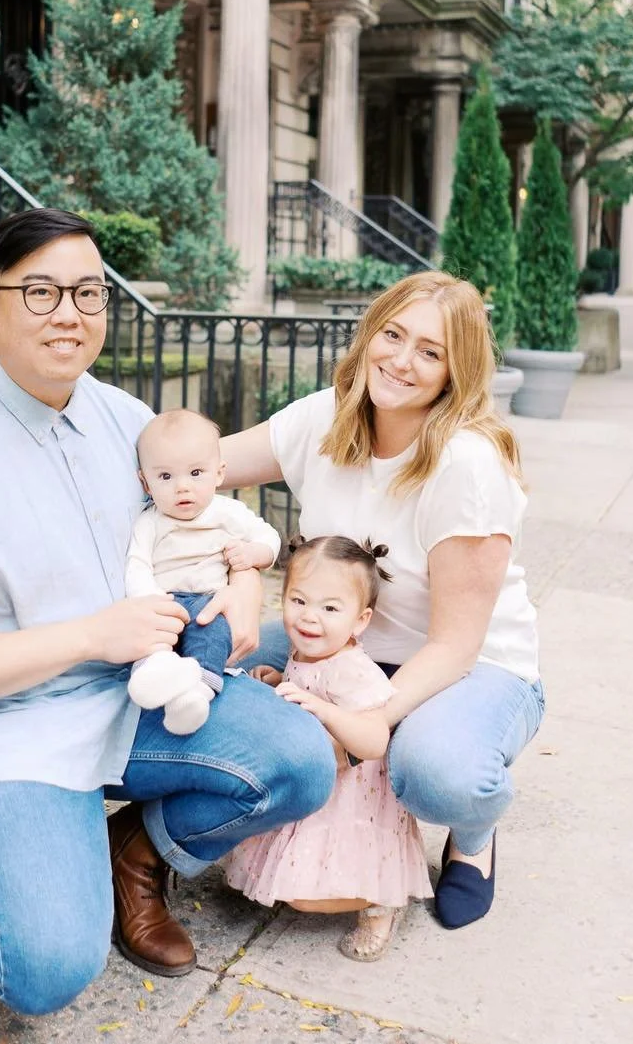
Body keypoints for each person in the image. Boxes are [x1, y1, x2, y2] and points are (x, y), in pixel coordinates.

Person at [0, 208, 335, 1016]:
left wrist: (246, 577)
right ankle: (54, 834)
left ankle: (135, 852)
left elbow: (204, 515)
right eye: (40, 292)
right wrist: (89, 634)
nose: (69, 313)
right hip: (12, 726)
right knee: (44, 970)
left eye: (88, 292)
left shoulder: (121, 419)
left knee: (300, 760)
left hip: (140, 690)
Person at [221, 270, 545, 931]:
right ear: (370, 333)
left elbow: (455, 643)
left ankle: (473, 835)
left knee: (432, 771)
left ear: (456, 373)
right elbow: (204, 469)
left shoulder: (466, 465)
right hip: (344, 639)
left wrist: (365, 727)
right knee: (213, 658)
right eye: (393, 334)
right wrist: (241, 570)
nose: (401, 359)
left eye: (430, 351)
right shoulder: (326, 417)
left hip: (470, 666)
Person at [223, 535, 433, 961]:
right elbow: (302, 689)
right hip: (319, 780)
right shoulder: (306, 652)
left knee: (312, 895)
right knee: (291, 880)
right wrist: (277, 682)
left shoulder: (354, 671)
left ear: (360, 621)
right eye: (298, 600)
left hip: (354, 798)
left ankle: (380, 902)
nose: (309, 618)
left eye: (330, 608)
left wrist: (323, 709)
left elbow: (374, 741)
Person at [125, 408, 282, 734]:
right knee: (150, 637)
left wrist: (253, 554)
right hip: (165, 601)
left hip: (210, 601)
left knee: (212, 633)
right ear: (145, 482)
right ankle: (154, 673)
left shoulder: (228, 512)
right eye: (166, 477)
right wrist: (150, 599)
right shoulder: (149, 521)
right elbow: (136, 564)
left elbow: (269, 537)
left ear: (219, 473)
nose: (183, 487)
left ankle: (197, 694)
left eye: (196, 473)